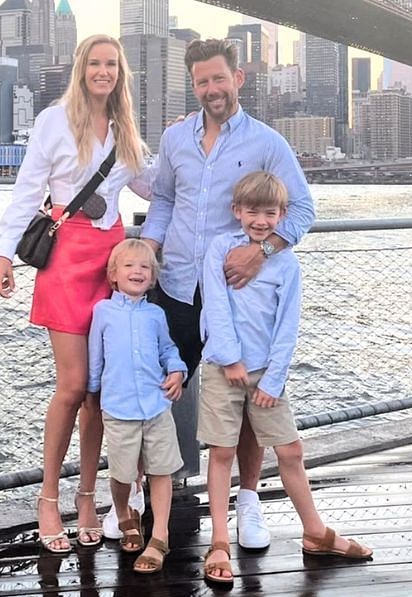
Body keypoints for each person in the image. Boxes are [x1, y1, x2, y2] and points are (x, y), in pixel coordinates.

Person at [140, 38, 316, 553]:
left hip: (236, 293)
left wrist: (261, 250)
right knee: (161, 389)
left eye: (219, 78)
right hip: (174, 285)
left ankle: (247, 500)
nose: (211, 89)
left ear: (238, 78)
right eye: (202, 82)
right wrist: (148, 251)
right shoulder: (175, 139)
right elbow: (164, 201)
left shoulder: (267, 143)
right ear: (192, 85)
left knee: (240, 402)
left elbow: (302, 210)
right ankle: (155, 500)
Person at [0, 34, 153, 553]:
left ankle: (88, 498)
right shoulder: (53, 121)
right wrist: (2, 254)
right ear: (81, 68)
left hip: (109, 259)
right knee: (73, 384)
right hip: (64, 260)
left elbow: (155, 186)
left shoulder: (126, 128)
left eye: (111, 64)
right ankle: (46, 497)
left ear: (120, 72)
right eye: (95, 63)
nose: (103, 72)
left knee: (99, 393)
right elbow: (26, 190)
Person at [198, 172, 371, 585]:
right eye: (252, 211)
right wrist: (230, 359)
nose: (260, 220)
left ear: (282, 215)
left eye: (269, 212)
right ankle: (219, 540)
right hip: (224, 369)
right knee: (222, 452)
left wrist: (273, 379)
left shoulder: (286, 263)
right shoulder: (220, 248)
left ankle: (315, 532)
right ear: (236, 212)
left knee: (291, 450)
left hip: (266, 374)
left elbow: (286, 326)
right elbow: (215, 305)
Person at [86, 239, 186, 573]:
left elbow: (168, 349)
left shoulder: (156, 315)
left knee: (161, 469)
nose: (137, 271)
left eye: (144, 267)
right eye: (128, 265)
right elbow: (95, 358)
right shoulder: (102, 312)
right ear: (113, 275)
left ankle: (160, 533)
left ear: (153, 277)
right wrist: (93, 392)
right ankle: (125, 514)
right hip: (118, 408)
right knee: (122, 472)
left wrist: (177, 369)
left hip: (156, 405)